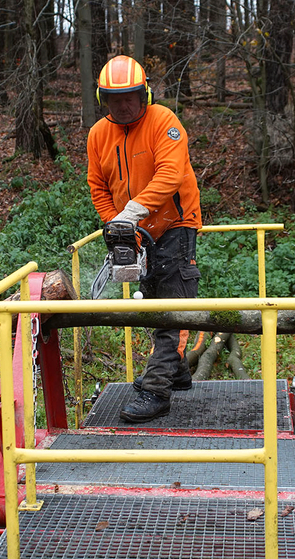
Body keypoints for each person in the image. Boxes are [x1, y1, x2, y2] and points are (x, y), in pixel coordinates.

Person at [87, 55, 203, 423]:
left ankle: (156, 390)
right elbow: (97, 186)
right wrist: (117, 225)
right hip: (137, 229)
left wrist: (132, 212)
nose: (123, 106)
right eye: (114, 99)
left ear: (144, 95)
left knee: (172, 306)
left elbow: (170, 175)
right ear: (103, 99)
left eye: (129, 98)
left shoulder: (163, 122)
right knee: (151, 300)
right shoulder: (98, 134)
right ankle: (176, 371)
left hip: (175, 223)